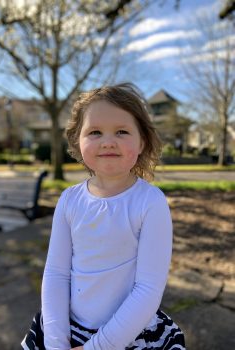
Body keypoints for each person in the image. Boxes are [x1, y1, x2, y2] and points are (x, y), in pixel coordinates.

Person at [21, 83, 186, 350]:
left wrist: (97, 347)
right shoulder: (69, 200)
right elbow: (56, 273)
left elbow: (148, 289)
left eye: (122, 131)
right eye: (95, 132)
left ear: (142, 141)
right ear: (77, 141)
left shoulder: (150, 202)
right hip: (67, 328)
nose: (108, 141)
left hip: (128, 333)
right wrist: (55, 342)